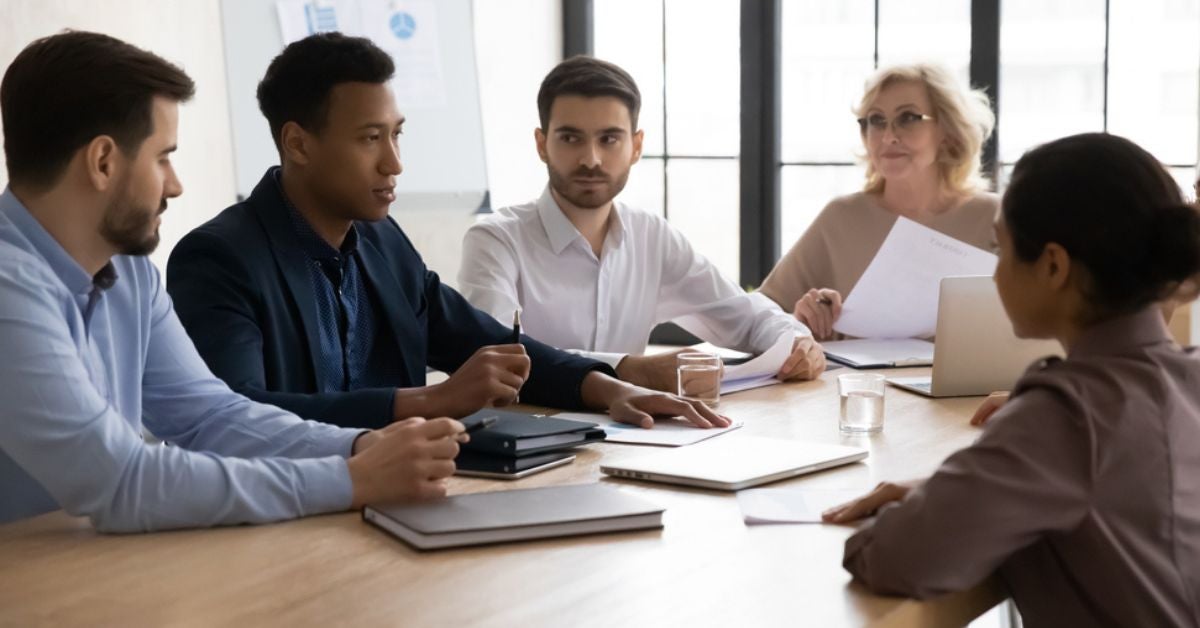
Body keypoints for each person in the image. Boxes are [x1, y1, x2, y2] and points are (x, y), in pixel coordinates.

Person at [0, 31, 474, 532]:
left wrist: (356, 446)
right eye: (163, 157)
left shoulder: (129, 271)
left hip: (87, 572)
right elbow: (120, 481)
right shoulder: (9, 287)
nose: (176, 184)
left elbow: (211, 415)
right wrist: (350, 480)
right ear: (103, 162)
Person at [167, 34, 725, 431]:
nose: (395, 164)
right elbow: (237, 414)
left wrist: (611, 388)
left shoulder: (383, 244)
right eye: (370, 139)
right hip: (287, 522)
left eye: (397, 135)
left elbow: (490, 344)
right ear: (298, 144)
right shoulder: (219, 259)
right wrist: (430, 401)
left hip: (403, 498)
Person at [823, 133, 1200, 626]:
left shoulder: (1064, 417)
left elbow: (895, 559)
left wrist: (951, 499)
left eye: (1000, 249)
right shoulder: (1188, 377)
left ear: (1052, 265)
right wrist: (976, 490)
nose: (996, 272)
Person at [456, 55, 824, 393]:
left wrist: (795, 340)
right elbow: (499, 356)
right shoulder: (495, 239)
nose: (591, 159)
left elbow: (743, 316)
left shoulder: (652, 236)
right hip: (531, 440)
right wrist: (632, 370)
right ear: (541, 144)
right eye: (571, 138)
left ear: (636, 146)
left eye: (609, 139)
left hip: (631, 437)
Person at [759, 63, 998, 340]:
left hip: (973, 384)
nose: (888, 136)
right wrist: (801, 320)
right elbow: (762, 316)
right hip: (857, 384)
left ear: (946, 131)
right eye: (876, 120)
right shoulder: (841, 218)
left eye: (908, 117)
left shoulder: (995, 217)